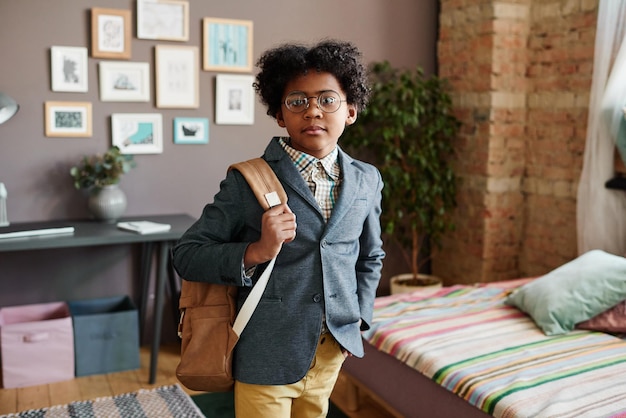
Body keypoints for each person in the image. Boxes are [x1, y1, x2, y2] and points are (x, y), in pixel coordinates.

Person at [172, 39, 385, 418]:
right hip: (265, 352)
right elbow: (187, 254)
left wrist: (359, 318)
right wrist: (256, 251)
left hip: (331, 349)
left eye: (327, 99)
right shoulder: (248, 180)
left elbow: (370, 256)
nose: (313, 111)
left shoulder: (367, 180)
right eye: (297, 101)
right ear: (279, 116)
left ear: (350, 110)